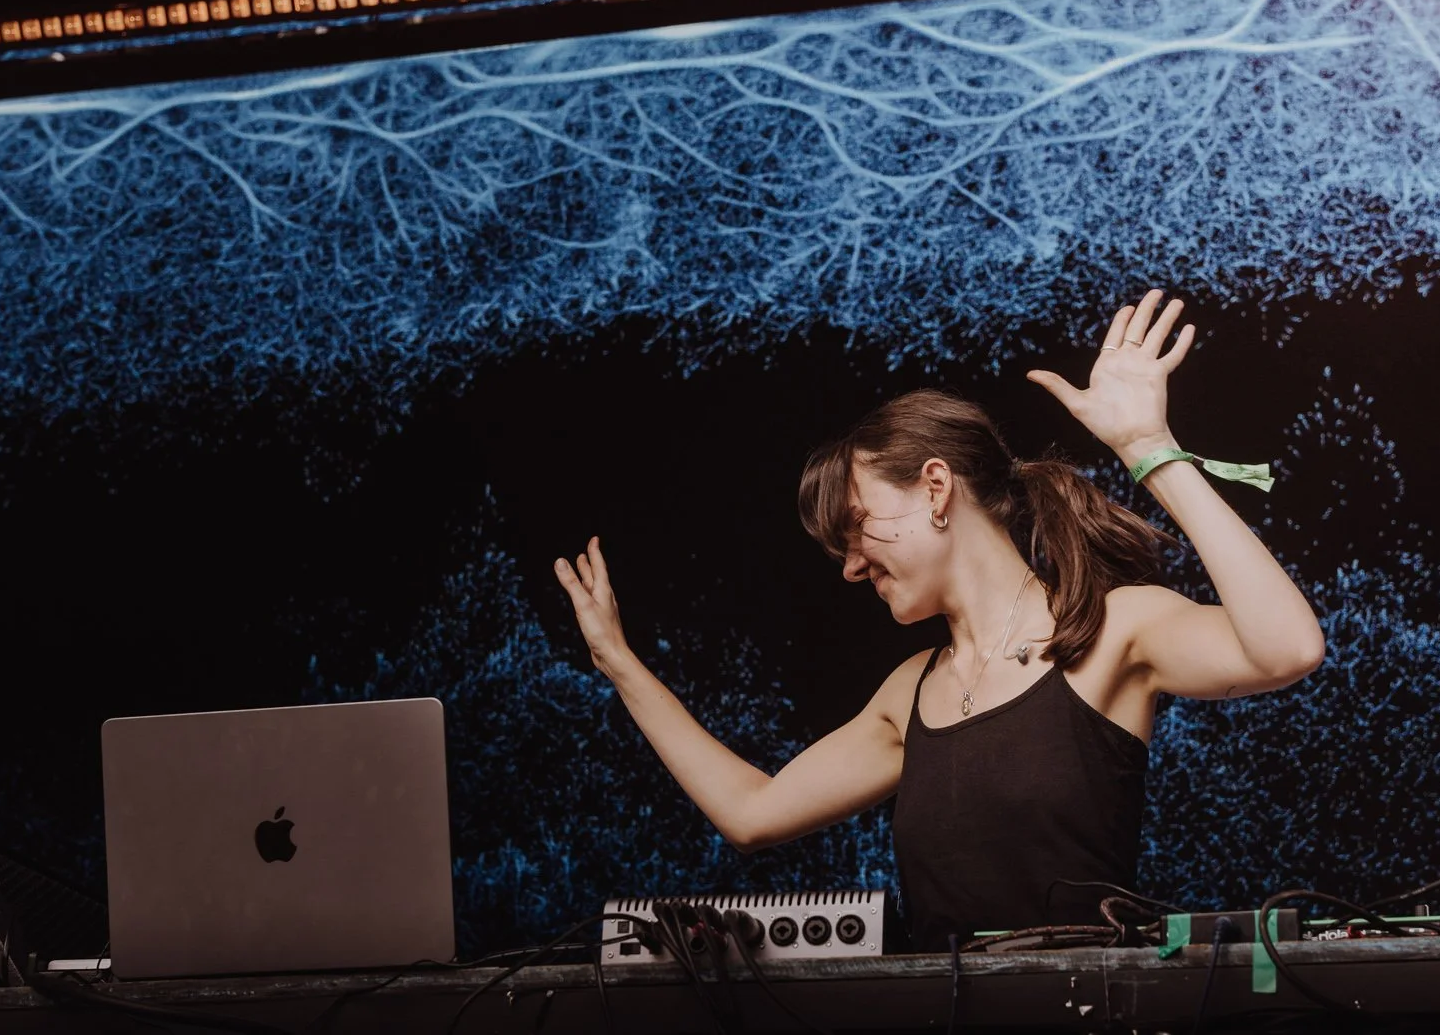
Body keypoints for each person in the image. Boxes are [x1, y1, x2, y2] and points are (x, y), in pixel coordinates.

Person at [553, 288, 1325, 951]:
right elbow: (750, 813)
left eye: (857, 527)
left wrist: (1147, 445)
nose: (851, 566)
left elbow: (1288, 647)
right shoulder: (908, 694)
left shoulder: (1114, 630)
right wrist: (618, 661)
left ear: (934, 487)